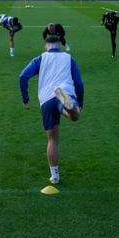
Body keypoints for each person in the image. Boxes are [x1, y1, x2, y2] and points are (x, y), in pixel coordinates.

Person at [18, 33, 85, 185]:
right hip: (65, 91)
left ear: (45, 45)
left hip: (46, 99)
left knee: (52, 139)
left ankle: (54, 176)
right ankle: (70, 107)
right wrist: (80, 102)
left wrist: (26, 100)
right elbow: (79, 83)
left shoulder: (40, 59)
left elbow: (23, 76)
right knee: (75, 116)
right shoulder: (69, 58)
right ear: (60, 45)